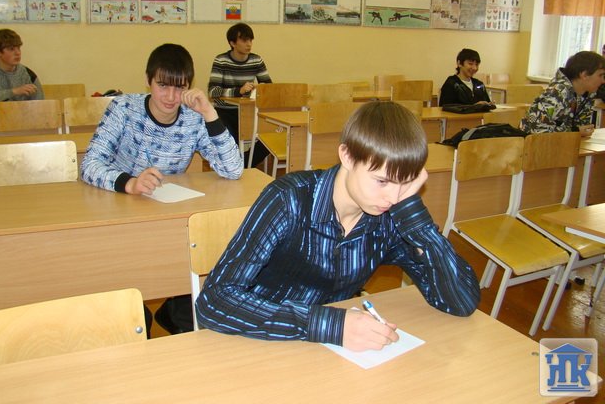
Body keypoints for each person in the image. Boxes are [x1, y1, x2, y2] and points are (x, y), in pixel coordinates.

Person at [195, 101, 480, 352]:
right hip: (260, 340)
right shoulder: (289, 200)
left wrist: (417, 220)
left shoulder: (391, 215)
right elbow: (215, 300)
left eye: (405, 184)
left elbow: (460, 302)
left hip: (331, 353)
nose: (393, 197)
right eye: (382, 181)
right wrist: (332, 325)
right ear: (347, 156)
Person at [81, 43, 244, 336]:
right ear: (148, 81)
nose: (170, 97)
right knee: (128, 293)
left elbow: (232, 169)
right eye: (162, 86)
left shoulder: (193, 118)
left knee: (197, 258)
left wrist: (209, 112)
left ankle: (176, 310)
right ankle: (137, 313)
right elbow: (90, 163)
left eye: (179, 88)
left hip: (167, 214)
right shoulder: (124, 109)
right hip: (119, 211)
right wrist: (129, 183)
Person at [208, 22, 272, 168]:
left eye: (250, 40)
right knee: (230, 142)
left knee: (269, 138)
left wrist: (260, 87)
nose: (249, 44)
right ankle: (238, 164)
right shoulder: (221, 60)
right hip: (225, 111)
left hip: (250, 112)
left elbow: (269, 87)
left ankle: (241, 164)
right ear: (232, 43)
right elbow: (212, 92)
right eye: (244, 40)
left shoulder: (256, 60)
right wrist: (238, 91)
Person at [520, 51, 605, 137]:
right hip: (531, 142)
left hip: (565, 141)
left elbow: (581, 126)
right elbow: (537, 130)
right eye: (600, 75)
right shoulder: (556, 93)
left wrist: (580, 131)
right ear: (584, 75)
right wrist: (575, 131)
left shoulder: (588, 94)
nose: (603, 81)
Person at [0, 28, 43, 110]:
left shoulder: (29, 74)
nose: (18, 53)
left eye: (18, 48)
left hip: (23, 117)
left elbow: (41, 105)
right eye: (11, 49)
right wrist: (13, 92)